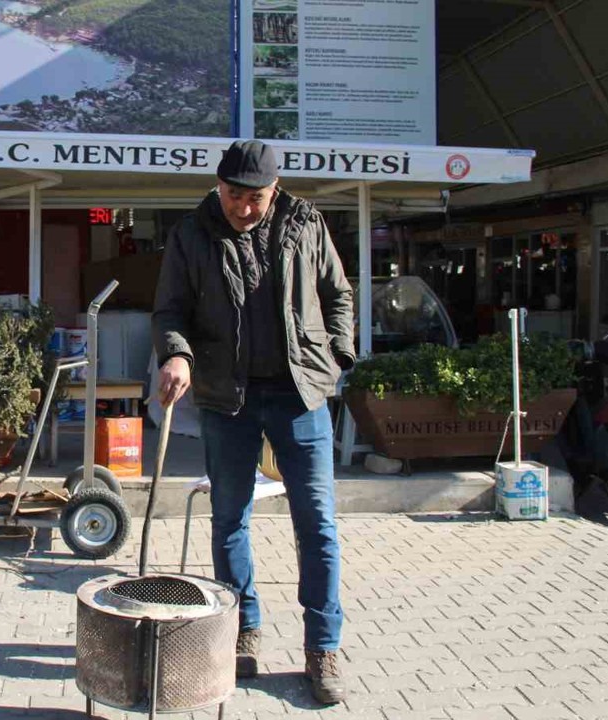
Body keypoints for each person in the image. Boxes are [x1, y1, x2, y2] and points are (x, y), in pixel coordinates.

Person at [152, 139, 355, 705]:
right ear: (219, 187)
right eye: (234, 195)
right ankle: (242, 629)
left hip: (300, 394)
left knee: (316, 525)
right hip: (226, 396)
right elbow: (170, 310)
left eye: (256, 197)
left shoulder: (306, 222)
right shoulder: (190, 233)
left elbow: (338, 293)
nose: (244, 207)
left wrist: (337, 355)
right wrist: (176, 353)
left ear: (275, 189)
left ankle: (323, 646)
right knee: (229, 518)